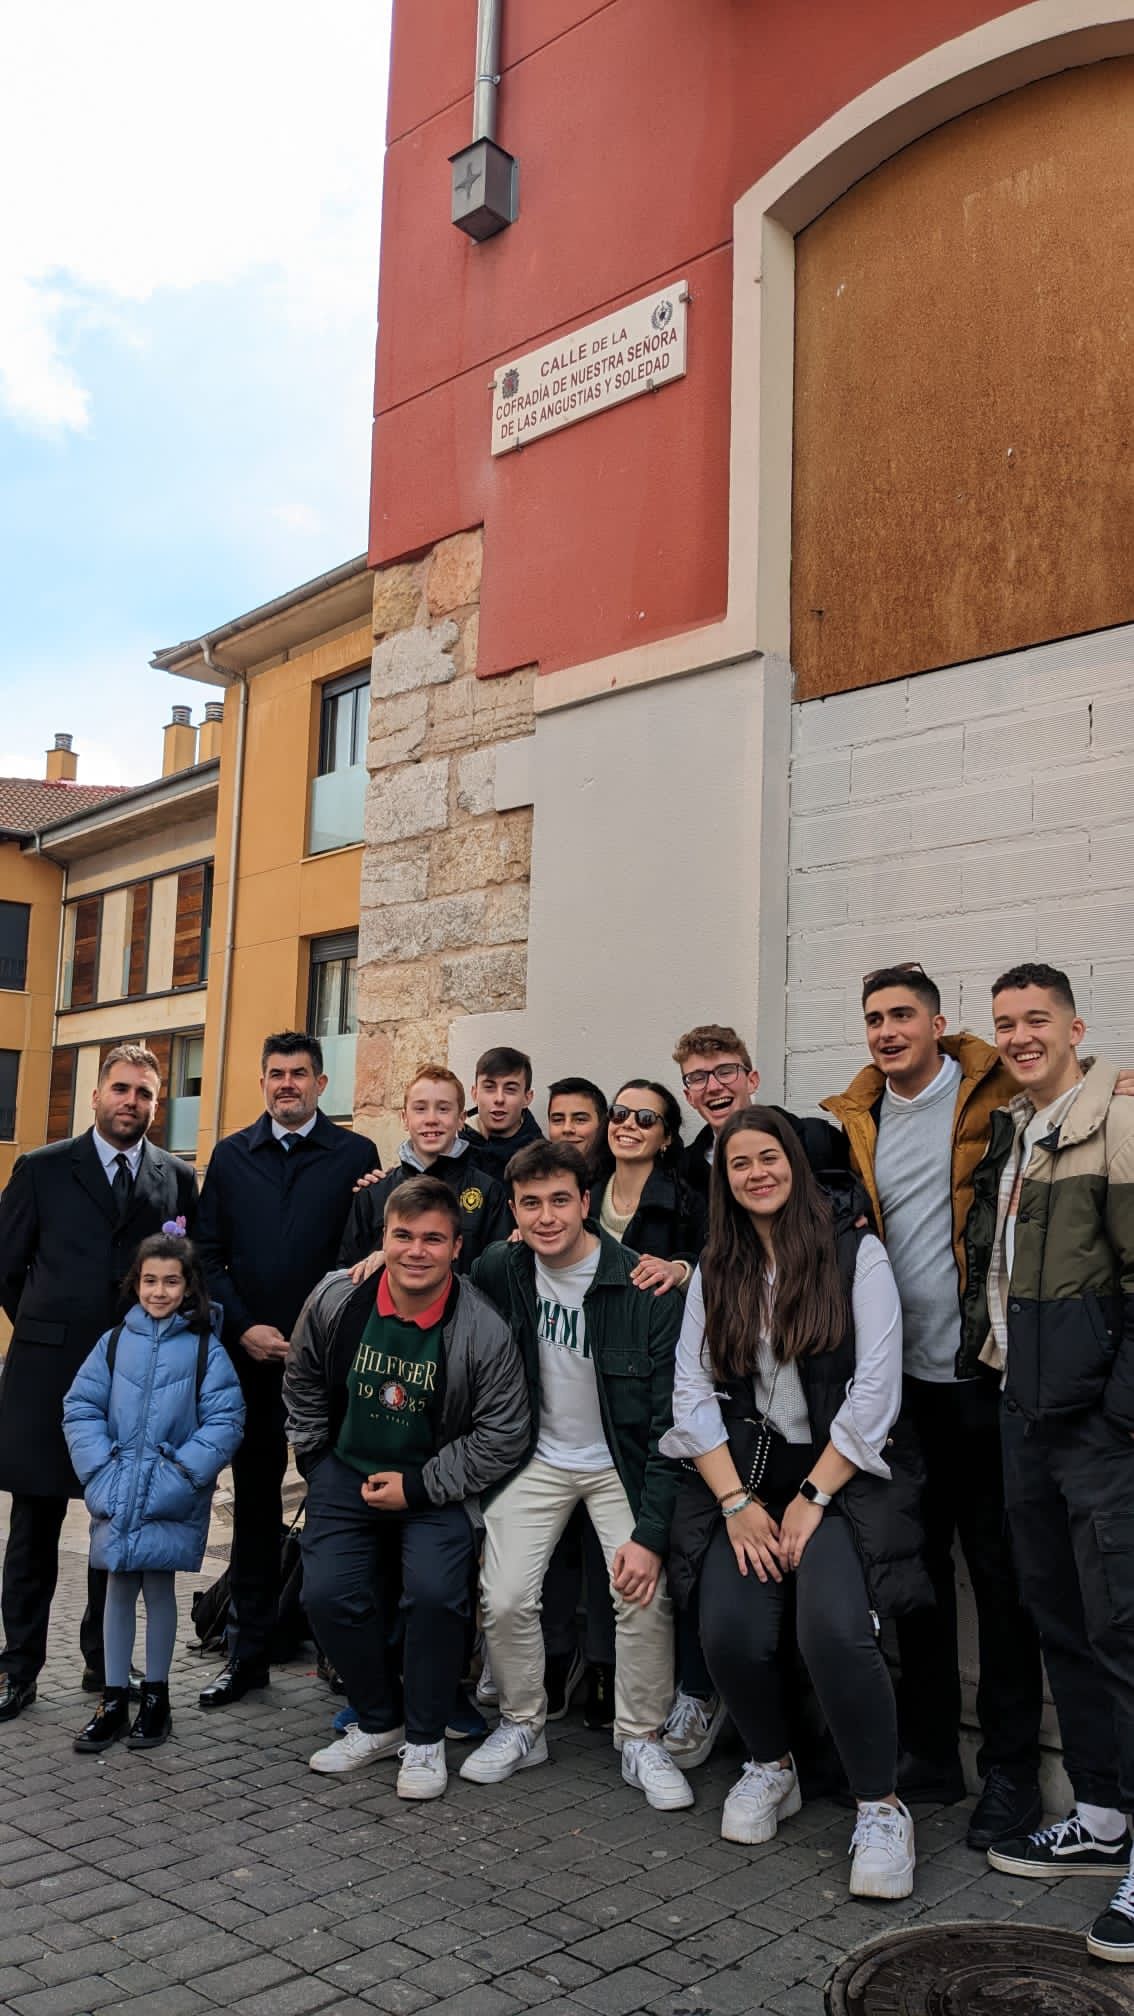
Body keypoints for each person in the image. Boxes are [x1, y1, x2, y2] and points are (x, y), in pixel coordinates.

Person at [663, 1108, 927, 1898]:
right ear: (724, 1181)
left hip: (842, 1476)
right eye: (739, 1164)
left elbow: (876, 1391)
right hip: (748, 1477)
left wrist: (813, 1497)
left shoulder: (855, 1253)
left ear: (796, 1165)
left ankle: (880, 1806)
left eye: (768, 1157)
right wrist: (736, 1501)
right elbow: (691, 1393)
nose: (756, 1174)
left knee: (833, 1632)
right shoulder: (717, 1266)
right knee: (728, 1629)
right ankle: (770, 1764)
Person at [820, 963, 1045, 1850]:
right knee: (911, 1576)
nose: (887, 1031)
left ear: (938, 1022)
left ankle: (1012, 1772)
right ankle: (930, 1754)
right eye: (874, 1017)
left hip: (984, 1381)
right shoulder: (858, 1117)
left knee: (1001, 1582)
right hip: (900, 1393)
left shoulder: (995, 1091)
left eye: (902, 1015)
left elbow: (1073, 1087)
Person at [959, 965, 1134, 1966]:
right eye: (1006, 1024)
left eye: (1037, 1019)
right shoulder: (1018, 1130)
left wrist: (1120, 1413)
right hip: (1022, 1409)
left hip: (1097, 1427)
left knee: (1124, 1629)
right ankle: (1103, 1817)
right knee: (1061, 1618)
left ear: (1075, 1025)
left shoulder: (1117, 1120)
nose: (1020, 1036)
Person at [461, 1140, 692, 1812]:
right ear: (513, 1211)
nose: (546, 1216)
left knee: (642, 1592)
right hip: (536, 1458)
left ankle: (641, 1736)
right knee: (505, 1595)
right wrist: (370, 1262)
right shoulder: (501, 1267)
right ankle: (522, 1724)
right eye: (530, 1203)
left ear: (585, 1203)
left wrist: (651, 1533)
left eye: (560, 1200)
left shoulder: (640, 1285)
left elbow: (667, 1424)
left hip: (618, 1463)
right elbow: (439, 1282)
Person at [284, 1177, 529, 1801]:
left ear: (456, 1247)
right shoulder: (338, 1297)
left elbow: (503, 1435)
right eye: (403, 1236)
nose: (416, 1251)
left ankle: (424, 1738)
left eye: (433, 1239)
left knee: (436, 1597)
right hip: (345, 1469)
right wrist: (316, 1459)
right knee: (326, 1595)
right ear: (383, 1238)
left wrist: (419, 1486)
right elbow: (302, 1377)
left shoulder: (482, 1327)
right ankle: (378, 1720)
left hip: (433, 1482)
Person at [0, 1043, 199, 1721]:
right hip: (46, 1378)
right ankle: (17, 1668)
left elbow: (183, 1272)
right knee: (34, 1526)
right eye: (121, 1088)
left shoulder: (177, 1178)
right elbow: (6, 1268)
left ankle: (102, 1661)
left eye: (144, 1093)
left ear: (155, 1104)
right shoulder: (41, 1169)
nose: (131, 1102)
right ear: (95, 1095)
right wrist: (46, 1326)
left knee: (115, 1524)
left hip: (132, 1384)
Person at [194, 1030, 379, 1707]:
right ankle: (247, 1653)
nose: (287, 1084)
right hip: (251, 1363)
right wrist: (244, 1328)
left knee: (339, 1507)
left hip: (327, 1368)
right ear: (263, 1082)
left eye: (299, 1074)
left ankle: (343, 1657)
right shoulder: (231, 1156)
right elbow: (207, 1256)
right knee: (253, 1509)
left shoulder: (355, 1155)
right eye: (276, 1074)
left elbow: (361, 1260)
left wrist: (313, 1333)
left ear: (321, 1083)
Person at [62, 1234, 244, 1754]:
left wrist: (182, 1473)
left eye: (170, 1281)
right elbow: (80, 1407)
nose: (159, 1291)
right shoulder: (115, 1341)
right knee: (117, 1588)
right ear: (135, 1283)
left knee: (159, 1588)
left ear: (188, 1286)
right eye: (149, 1280)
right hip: (118, 1490)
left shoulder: (206, 1347)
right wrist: (101, 1471)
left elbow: (226, 1419)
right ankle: (113, 1699)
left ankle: (157, 1698)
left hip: (169, 1494)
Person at [339, 1064, 509, 1274]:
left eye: (443, 1109)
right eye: (420, 1109)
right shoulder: (373, 1193)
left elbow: (498, 1273)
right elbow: (349, 1271)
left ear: (461, 1119)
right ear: (404, 1118)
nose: (431, 1119)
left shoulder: (489, 1192)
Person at [673, 1023, 847, 1201]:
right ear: (689, 1097)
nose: (713, 1087)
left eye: (725, 1072)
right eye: (697, 1078)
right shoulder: (682, 1174)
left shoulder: (818, 1141)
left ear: (752, 1081)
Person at [460, 1046, 543, 1181]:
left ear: (527, 1098)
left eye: (510, 1089)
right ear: (475, 1094)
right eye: (489, 1087)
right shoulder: (452, 1149)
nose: (499, 1099)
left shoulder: (544, 1159)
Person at [546, 1078, 608, 1180]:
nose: (567, 1129)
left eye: (580, 1119)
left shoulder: (616, 1182)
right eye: (558, 1120)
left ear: (602, 1124)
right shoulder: (533, 1178)